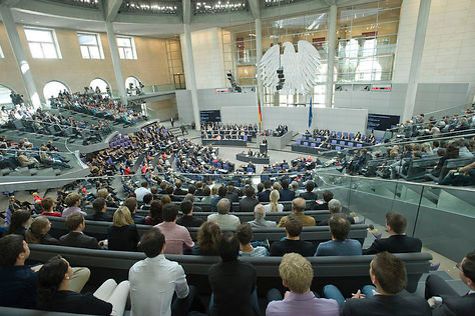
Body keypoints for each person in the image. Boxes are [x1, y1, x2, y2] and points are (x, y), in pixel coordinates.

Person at [323, 252, 431, 316]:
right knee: (368, 288)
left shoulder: (352, 306)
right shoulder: (422, 305)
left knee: (329, 288)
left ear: (374, 278)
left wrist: (355, 301)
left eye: (371, 268)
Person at [0, 235, 90, 309]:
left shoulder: (22, 273)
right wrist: (65, 270)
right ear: (21, 255)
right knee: (83, 272)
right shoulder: (32, 278)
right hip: (48, 306)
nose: (27, 244)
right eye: (25, 244)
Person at [130, 229, 204, 316]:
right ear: (164, 246)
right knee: (191, 289)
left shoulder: (134, 268)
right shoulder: (174, 268)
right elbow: (183, 294)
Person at [37, 256, 129, 315]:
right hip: (108, 311)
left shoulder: (41, 296)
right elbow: (108, 308)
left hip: (87, 305)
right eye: (69, 266)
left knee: (111, 282)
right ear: (66, 276)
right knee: (125, 283)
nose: (71, 267)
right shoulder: (83, 300)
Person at [266, 253, 339, 316]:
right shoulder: (333, 306)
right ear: (311, 276)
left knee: (272, 292)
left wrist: (287, 299)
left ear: (284, 283)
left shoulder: (272, 309)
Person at [208, 232, 258, 316]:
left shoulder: (212, 271)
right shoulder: (250, 269)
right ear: (238, 249)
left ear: (219, 250)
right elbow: (251, 290)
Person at [426, 250, 475, 315]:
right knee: (433, 279)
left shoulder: (453, 308)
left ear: (469, 281)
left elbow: (460, 304)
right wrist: (440, 299)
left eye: (459, 266)